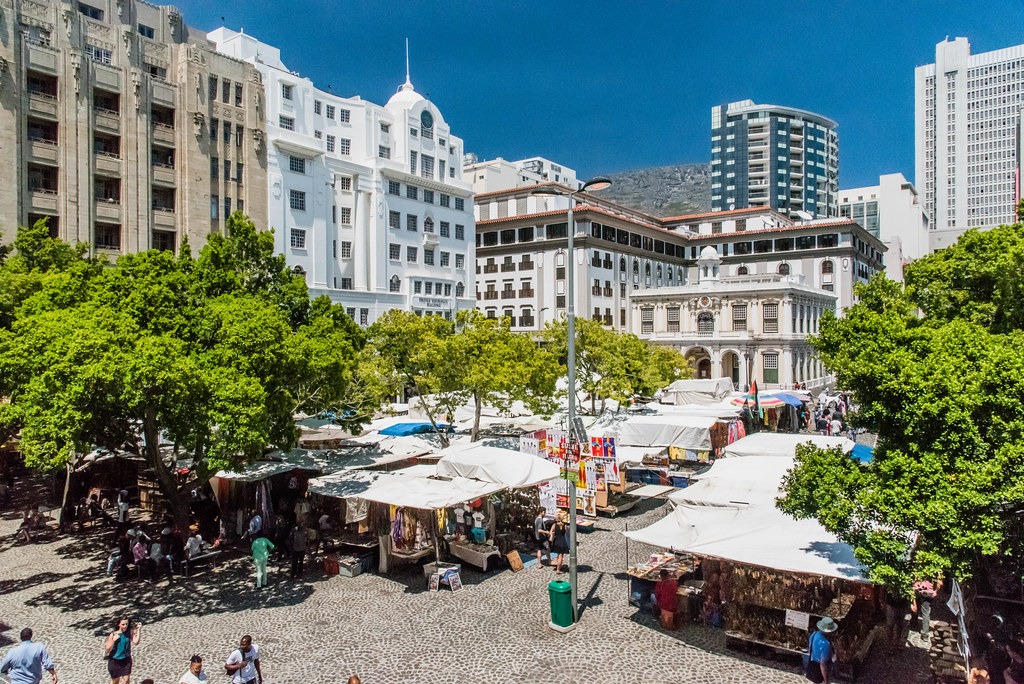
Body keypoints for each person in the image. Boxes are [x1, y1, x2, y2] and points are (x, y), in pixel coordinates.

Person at [104, 616, 141, 684]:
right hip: (115, 661)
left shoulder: (129, 632)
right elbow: (107, 649)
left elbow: (136, 642)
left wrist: (138, 630)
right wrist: (113, 641)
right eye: (123, 624)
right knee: (115, 681)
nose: (125, 626)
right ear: (119, 624)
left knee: (126, 680)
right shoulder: (113, 634)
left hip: (126, 660)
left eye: (126, 624)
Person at [806, 617, 838, 684]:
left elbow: (810, 648)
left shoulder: (814, 634)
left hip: (812, 664)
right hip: (819, 671)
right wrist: (826, 681)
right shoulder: (826, 644)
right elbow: (823, 664)